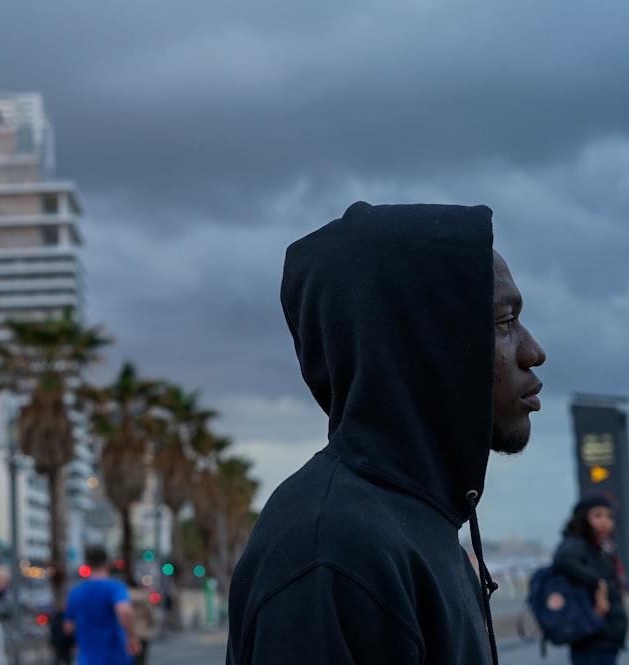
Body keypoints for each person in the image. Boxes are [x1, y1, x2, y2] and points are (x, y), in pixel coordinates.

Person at [226, 202, 547, 665]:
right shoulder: (331, 553)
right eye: (503, 323)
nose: (533, 352)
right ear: (419, 342)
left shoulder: (422, 525)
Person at [553, 494, 628, 664]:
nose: (604, 521)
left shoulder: (603, 548)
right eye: (597, 515)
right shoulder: (578, 543)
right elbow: (563, 560)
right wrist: (598, 583)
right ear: (583, 518)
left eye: (609, 516)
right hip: (593, 635)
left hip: (604, 636)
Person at [64, 546, 141, 665]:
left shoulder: (75, 592)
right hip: (115, 655)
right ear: (107, 564)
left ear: (88, 565)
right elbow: (124, 611)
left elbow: (69, 626)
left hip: (86, 658)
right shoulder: (115, 587)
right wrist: (132, 637)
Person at [127, 582, 157, 665]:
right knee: (140, 660)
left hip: (127, 632)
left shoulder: (122, 596)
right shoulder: (144, 597)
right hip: (142, 632)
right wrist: (151, 624)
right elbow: (151, 615)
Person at [50, 598, 75, 665]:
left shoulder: (67, 616)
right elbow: (53, 631)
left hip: (66, 643)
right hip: (58, 643)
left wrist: (72, 642)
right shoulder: (55, 617)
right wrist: (52, 642)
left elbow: (71, 630)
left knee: (67, 660)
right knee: (58, 660)